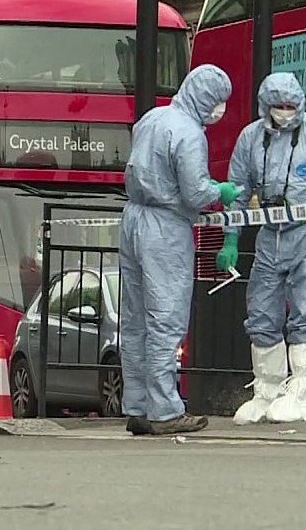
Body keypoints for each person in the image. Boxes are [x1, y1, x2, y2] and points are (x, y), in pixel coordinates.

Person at [216, 72, 306, 424]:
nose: (284, 112)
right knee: (262, 312)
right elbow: (236, 190)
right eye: (278, 106)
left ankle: (304, 391)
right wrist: (231, 238)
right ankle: (267, 389)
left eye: (290, 106)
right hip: (271, 234)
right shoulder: (251, 139)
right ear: (265, 105)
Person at [120, 64, 240, 436]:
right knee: (165, 319)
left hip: (133, 220)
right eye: (219, 101)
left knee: (135, 319)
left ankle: (138, 405)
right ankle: (165, 409)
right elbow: (194, 191)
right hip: (166, 227)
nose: (220, 109)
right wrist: (220, 192)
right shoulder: (188, 133)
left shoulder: (153, 117)